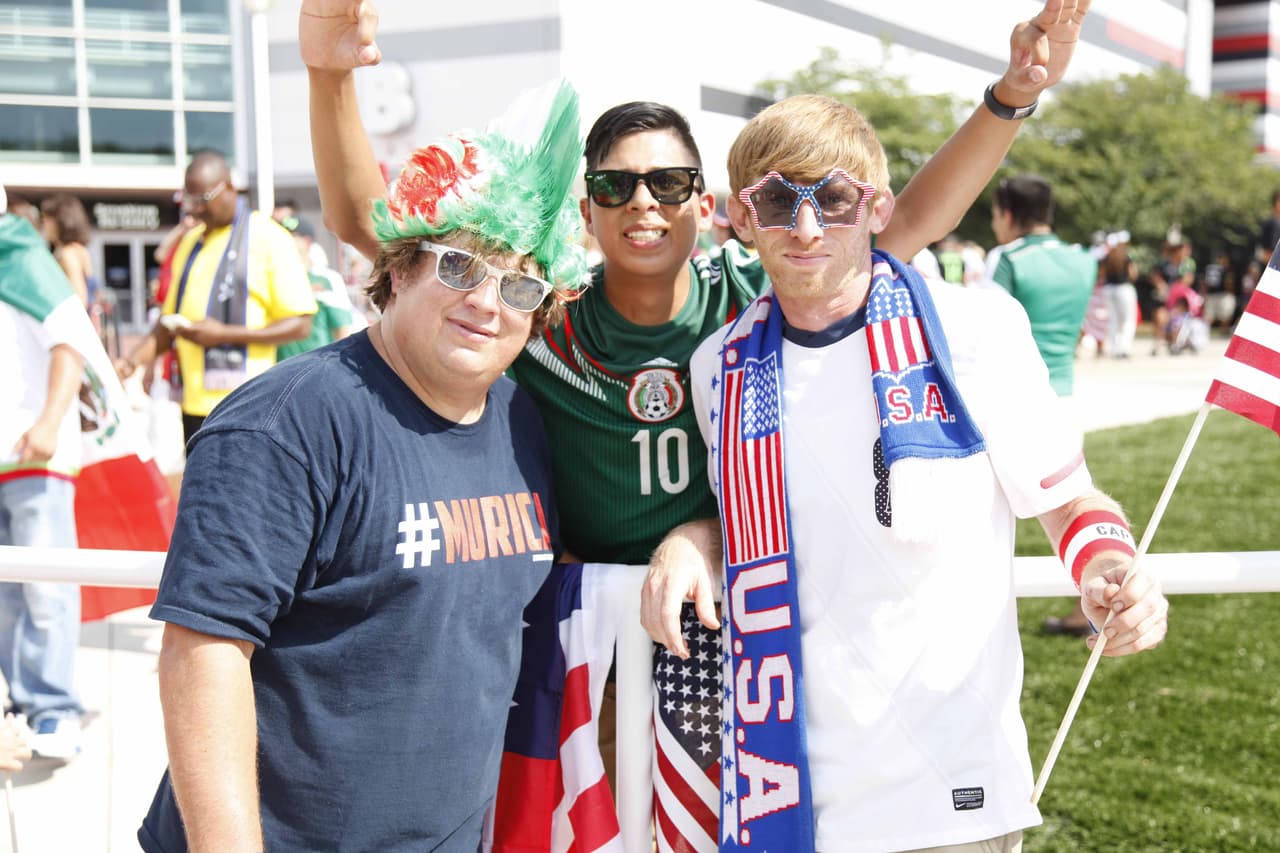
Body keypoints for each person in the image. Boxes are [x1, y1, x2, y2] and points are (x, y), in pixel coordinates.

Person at [304, 0, 1098, 800]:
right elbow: (380, 230)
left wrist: (1011, 97)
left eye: (669, 182)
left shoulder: (756, 298)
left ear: (709, 208)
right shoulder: (543, 315)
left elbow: (909, 219)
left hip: (743, 643)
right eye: (615, 185)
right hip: (595, 648)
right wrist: (330, 74)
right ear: (585, 211)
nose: (643, 202)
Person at [643, 92, 1168, 852]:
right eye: (777, 203)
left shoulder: (977, 327)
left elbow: (1067, 500)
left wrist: (1110, 568)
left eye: (834, 199)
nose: (807, 227)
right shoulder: (715, 368)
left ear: (878, 207)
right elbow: (769, 532)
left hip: (951, 792)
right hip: (785, 790)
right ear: (743, 219)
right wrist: (695, 536)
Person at [136, 81, 588, 852]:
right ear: (401, 267)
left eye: (518, 284)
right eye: (460, 267)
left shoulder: (522, 421)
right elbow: (202, 653)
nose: (487, 302)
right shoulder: (287, 423)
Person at [115, 151, 316, 446]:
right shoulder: (191, 242)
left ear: (229, 187)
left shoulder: (269, 237)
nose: (196, 210)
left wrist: (224, 335)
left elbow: (300, 323)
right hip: (193, 407)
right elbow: (167, 325)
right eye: (190, 201)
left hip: (248, 405)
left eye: (204, 199)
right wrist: (131, 362)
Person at [0, 184, 87, 761]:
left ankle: (54, 709)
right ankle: (23, 702)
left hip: (34, 450)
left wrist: (50, 422)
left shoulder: (22, 256)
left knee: (45, 587)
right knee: (8, 593)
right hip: (8, 452)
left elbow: (70, 342)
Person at [986, 174, 1097, 395]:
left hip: (1015, 392)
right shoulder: (1085, 260)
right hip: (1064, 391)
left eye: (995, 216)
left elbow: (987, 329)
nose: (993, 225)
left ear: (1007, 216)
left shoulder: (1006, 259)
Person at [277, 214, 353, 360]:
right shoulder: (276, 277)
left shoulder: (327, 278)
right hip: (280, 366)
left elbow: (342, 327)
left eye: (292, 235)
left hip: (317, 363)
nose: (285, 240)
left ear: (306, 241)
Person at [39, 193, 100, 317]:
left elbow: (79, 297)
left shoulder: (67, 254)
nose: (43, 224)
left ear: (60, 221)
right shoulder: (80, 249)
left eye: (46, 219)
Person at [1100, 230, 1138, 358]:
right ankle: (1125, 348)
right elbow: (1133, 275)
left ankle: (1115, 348)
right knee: (1128, 320)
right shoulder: (1126, 257)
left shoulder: (1106, 257)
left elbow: (1101, 275)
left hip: (1108, 290)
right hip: (1124, 289)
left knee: (1113, 320)